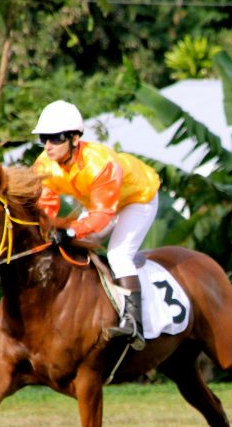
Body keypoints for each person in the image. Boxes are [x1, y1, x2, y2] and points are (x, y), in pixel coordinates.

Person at [32, 100, 161, 349]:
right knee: (73, 246)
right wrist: (46, 231)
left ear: (74, 139)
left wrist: (69, 231)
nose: (48, 146)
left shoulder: (99, 163)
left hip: (138, 199)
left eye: (55, 138)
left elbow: (102, 216)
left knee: (118, 254)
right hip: (103, 204)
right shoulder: (44, 165)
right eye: (43, 139)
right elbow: (45, 207)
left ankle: (134, 324)